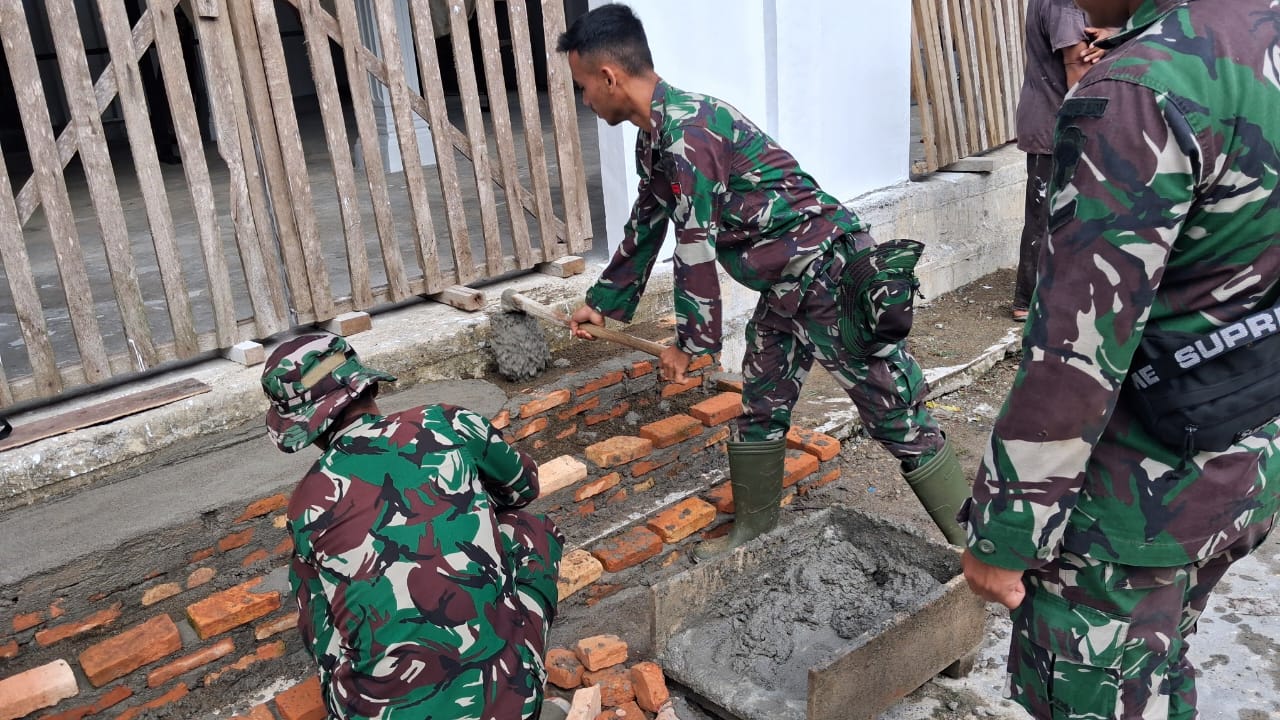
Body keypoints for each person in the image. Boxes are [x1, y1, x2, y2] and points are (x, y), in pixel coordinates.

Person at [959, 0, 1280, 716]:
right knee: (1163, 666)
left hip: (1134, 508)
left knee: (1094, 696)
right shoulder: (1259, 35)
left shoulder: (1140, 88)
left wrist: (1009, 527)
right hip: (1246, 454)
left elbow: (1074, 349)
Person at [557, 3, 969, 559]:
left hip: (832, 280)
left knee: (897, 415)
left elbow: (694, 246)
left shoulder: (689, 133)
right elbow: (648, 219)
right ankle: (755, 533)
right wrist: (603, 305)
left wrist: (692, 345)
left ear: (609, 77)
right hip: (786, 289)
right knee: (762, 403)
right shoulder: (656, 137)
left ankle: (978, 545)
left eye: (584, 87)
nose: (586, 101)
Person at [260, 333, 565, 720]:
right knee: (525, 528)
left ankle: (356, 688)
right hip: (509, 707)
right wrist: (462, 501)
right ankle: (512, 661)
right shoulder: (446, 422)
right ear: (366, 384)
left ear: (304, 428)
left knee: (307, 569)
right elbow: (523, 487)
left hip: (374, 714)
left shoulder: (306, 501)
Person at [1011, 0, 1110, 322]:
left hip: (1061, 123)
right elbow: (1079, 70)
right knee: (1047, 214)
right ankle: (1029, 301)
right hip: (1059, 126)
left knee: (1062, 212)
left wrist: (1113, 38)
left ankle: (1052, 293)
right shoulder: (1064, 3)